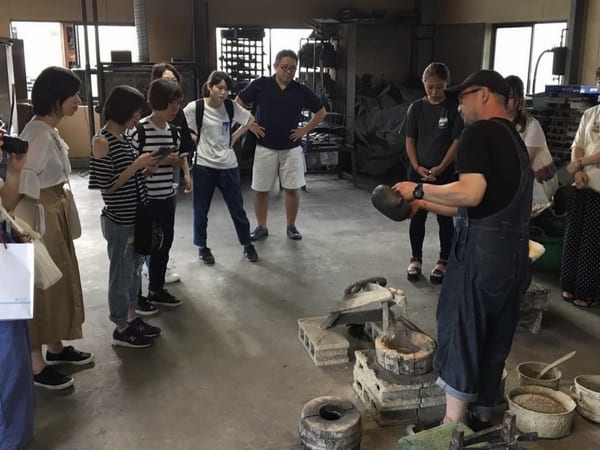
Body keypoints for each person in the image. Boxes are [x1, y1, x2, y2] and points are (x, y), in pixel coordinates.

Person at [393, 70, 532, 429]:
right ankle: (482, 416)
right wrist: (424, 205)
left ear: (483, 95)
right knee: (494, 335)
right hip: (512, 256)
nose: (458, 106)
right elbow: (478, 206)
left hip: (479, 257)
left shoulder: (477, 133)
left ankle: (452, 427)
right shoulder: (514, 139)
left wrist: (417, 189)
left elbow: (470, 193)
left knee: (461, 330)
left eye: (463, 97)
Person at [18, 66, 93, 390]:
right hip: (38, 215)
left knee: (58, 279)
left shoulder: (46, 130)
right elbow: (21, 185)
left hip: (52, 209)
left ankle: (56, 347)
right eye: (73, 95)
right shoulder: (37, 135)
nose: (77, 100)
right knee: (42, 285)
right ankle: (37, 364)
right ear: (55, 98)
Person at [89, 85, 163, 347]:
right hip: (119, 220)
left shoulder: (124, 138)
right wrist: (137, 165)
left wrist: (145, 170)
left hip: (136, 217)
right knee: (121, 275)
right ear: (122, 110)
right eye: (134, 112)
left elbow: (128, 176)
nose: (137, 117)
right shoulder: (102, 141)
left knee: (134, 271)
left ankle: (131, 317)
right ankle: (120, 327)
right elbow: (107, 185)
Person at [236, 49, 326, 241]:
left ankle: (291, 226)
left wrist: (304, 129)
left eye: (292, 68)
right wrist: (250, 125)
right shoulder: (261, 85)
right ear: (275, 66)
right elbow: (238, 104)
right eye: (284, 67)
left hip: (291, 147)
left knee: (291, 189)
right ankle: (261, 226)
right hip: (264, 146)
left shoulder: (300, 90)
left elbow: (321, 112)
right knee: (261, 189)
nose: (288, 72)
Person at [183, 70, 257, 264]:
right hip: (203, 166)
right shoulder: (195, 107)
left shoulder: (230, 107)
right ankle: (202, 247)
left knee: (237, 209)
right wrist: (195, 138)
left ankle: (247, 244)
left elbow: (250, 120)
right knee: (201, 210)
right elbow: (181, 127)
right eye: (220, 88)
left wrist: (236, 136)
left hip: (228, 165)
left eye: (227, 89)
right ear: (210, 87)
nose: (224, 93)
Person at [130, 78, 191, 308]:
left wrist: (183, 170)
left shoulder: (174, 132)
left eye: (178, 103)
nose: (175, 109)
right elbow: (131, 167)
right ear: (156, 102)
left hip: (167, 196)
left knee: (164, 245)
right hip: (145, 200)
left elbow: (179, 158)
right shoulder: (139, 130)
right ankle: (135, 297)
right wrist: (157, 163)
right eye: (170, 103)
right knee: (142, 247)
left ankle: (156, 289)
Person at [404, 62, 462, 283]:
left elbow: (456, 142)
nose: (435, 91)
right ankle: (415, 259)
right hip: (418, 170)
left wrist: (441, 167)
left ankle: (444, 261)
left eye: (439, 87)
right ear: (424, 84)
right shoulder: (416, 108)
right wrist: (417, 166)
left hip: (444, 172)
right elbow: (410, 139)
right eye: (430, 87)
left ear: (446, 84)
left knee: (445, 218)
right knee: (416, 214)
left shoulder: (453, 108)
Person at [0, 133, 35, 449]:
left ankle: (14, 433)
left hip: (4, 257)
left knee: (13, 344)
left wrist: (14, 169)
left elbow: (5, 205)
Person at [560, 67, 600, 309]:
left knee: (592, 243)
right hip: (582, 184)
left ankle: (587, 292)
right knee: (574, 236)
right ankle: (570, 284)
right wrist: (577, 171)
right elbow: (578, 144)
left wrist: (580, 164)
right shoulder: (590, 114)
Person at [505, 75, 558, 203]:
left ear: (520, 99)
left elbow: (525, 162)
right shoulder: (496, 124)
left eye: (511, 96)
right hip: (510, 185)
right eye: (504, 95)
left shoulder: (532, 126)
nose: (506, 100)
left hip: (535, 189)